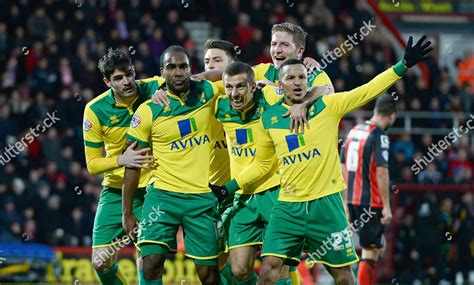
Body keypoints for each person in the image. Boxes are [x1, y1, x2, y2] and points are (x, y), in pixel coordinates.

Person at [212, 35, 433, 284]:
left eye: (301, 78)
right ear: (279, 86)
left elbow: (367, 91)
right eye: (290, 79)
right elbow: (262, 164)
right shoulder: (270, 119)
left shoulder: (329, 106)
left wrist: (402, 66)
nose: (297, 83)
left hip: (327, 205)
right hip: (288, 206)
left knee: (343, 277)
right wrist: (226, 189)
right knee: (267, 273)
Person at [214, 61, 325, 285]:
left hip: (277, 193)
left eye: (241, 87)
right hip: (243, 197)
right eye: (229, 88)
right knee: (239, 270)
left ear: (253, 86)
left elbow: (323, 89)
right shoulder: (220, 107)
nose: (234, 94)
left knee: (276, 270)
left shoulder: (271, 98)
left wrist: (301, 104)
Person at [122, 45, 223, 285]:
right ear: (162, 72)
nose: (177, 72)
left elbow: (227, 73)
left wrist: (201, 76)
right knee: (151, 263)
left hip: (200, 197)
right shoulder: (148, 110)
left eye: (183, 67)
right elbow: (132, 165)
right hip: (162, 197)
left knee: (208, 274)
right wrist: (127, 212)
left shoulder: (207, 92)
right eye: (171, 67)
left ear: (190, 69)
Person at [83, 48, 163, 284]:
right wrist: (121, 160)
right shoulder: (95, 110)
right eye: (118, 78)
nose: (127, 81)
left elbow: (192, 80)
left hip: (152, 187)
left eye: (129, 74)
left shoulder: (152, 88)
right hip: (115, 190)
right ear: (107, 82)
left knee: (148, 258)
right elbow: (93, 164)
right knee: (100, 261)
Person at [341, 93, 398, 285]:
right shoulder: (379, 135)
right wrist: (387, 206)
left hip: (351, 199)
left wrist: (344, 200)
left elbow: (341, 166)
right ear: (392, 115)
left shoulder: (354, 130)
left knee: (371, 248)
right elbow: (382, 171)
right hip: (370, 201)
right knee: (371, 251)